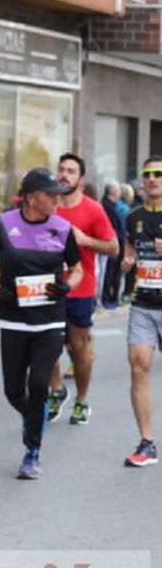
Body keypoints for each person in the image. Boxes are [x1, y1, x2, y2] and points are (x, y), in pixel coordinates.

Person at [0, 167, 83, 479]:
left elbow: (77, 268)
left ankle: (32, 451)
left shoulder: (62, 228)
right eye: (51, 195)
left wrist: (67, 287)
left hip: (49, 321)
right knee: (14, 391)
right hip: (14, 321)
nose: (57, 200)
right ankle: (33, 417)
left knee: (38, 383)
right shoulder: (5, 223)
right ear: (31, 198)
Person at [45, 154, 118, 425]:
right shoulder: (47, 206)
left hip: (81, 288)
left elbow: (113, 247)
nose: (64, 175)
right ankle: (57, 391)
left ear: (81, 178)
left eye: (71, 171)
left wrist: (85, 239)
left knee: (78, 348)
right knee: (48, 345)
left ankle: (81, 399)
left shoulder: (93, 209)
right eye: (61, 169)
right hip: (49, 287)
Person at [121, 156, 162, 466]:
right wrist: (128, 262)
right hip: (143, 304)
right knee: (139, 364)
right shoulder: (133, 216)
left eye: (158, 174)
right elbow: (129, 251)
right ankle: (147, 443)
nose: (152, 179)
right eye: (147, 174)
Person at [101, 181, 126, 310]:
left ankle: (112, 298)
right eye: (118, 190)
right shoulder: (108, 207)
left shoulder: (112, 206)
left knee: (113, 272)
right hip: (112, 245)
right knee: (109, 273)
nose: (120, 193)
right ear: (114, 192)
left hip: (117, 244)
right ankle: (108, 298)